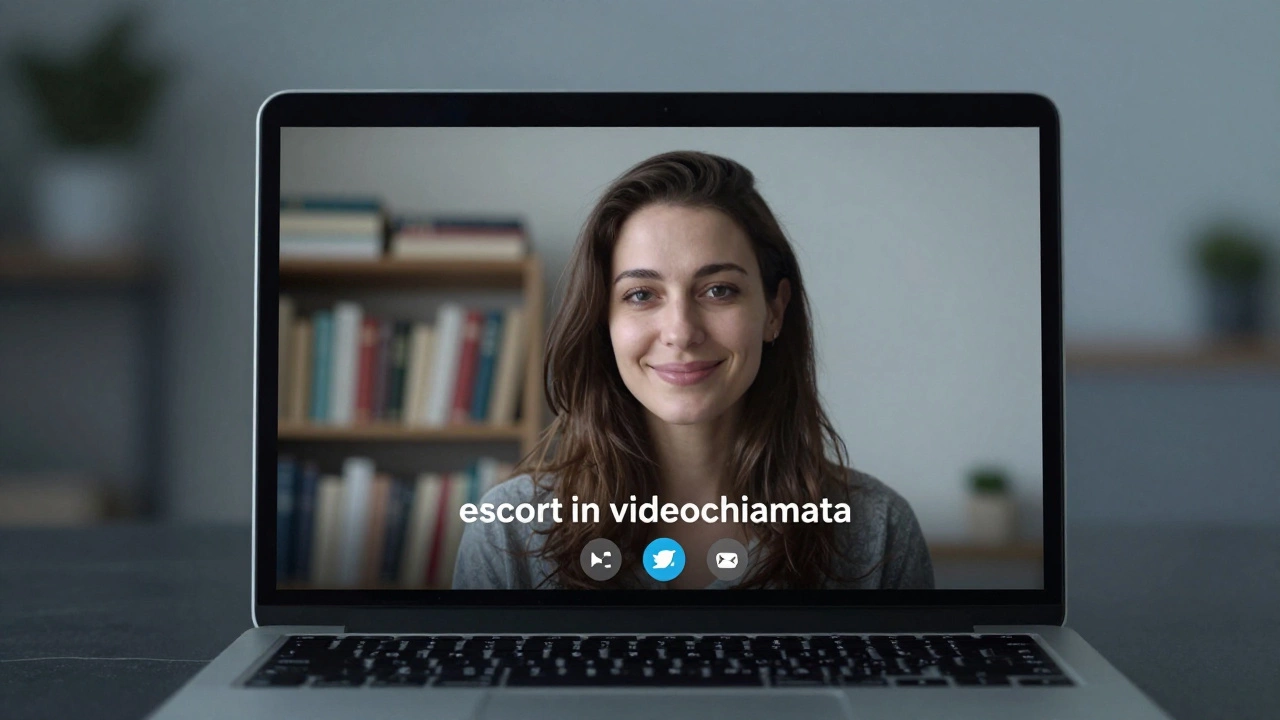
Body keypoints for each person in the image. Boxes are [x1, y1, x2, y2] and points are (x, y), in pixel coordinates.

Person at [453, 150, 933, 590]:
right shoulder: (507, 530)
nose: (681, 332)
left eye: (719, 290)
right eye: (641, 295)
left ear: (774, 312)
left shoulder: (878, 530)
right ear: (604, 322)